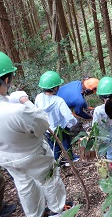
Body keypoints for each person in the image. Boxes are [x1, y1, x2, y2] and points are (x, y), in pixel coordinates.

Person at [0, 51, 70, 216]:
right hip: (33, 154)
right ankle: (58, 211)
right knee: (50, 181)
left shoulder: (10, 107)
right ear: (7, 79)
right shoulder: (17, 110)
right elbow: (42, 124)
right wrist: (25, 100)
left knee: (24, 185)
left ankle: (34, 214)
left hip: (6, 158)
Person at [35, 71, 79, 166]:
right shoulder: (59, 101)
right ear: (55, 88)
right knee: (66, 144)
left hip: (48, 129)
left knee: (54, 147)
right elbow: (69, 117)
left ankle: (58, 162)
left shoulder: (39, 98)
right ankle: (69, 160)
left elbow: (36, 111)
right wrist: (72, 123)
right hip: (61, 128)